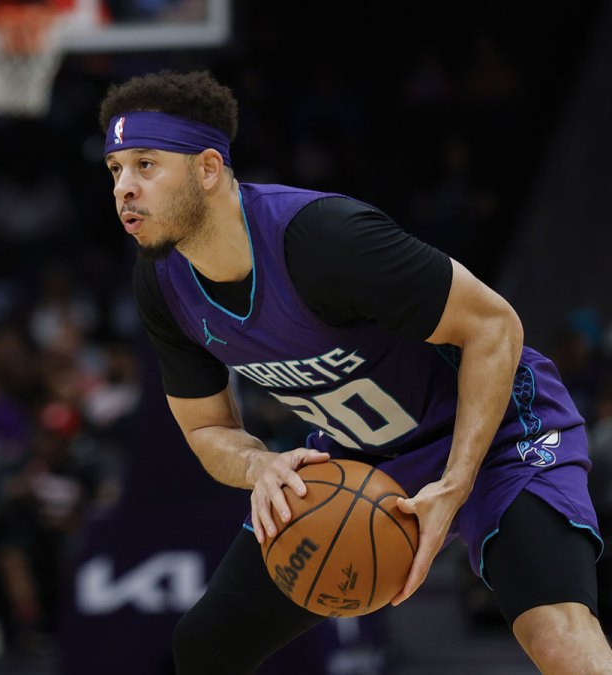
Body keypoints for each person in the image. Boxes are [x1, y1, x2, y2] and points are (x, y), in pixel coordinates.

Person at [99, 71, 610, 673]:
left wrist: (456, 482)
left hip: (502, 435)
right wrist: (260, 465)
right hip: (361, 458)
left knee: (555, 636)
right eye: (115, 171)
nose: (124, 189)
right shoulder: (162, 283)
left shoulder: (322, 240)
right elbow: (207, 428)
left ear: (208, 169)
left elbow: (495, 327)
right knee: (207, 645)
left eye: (145, 165)